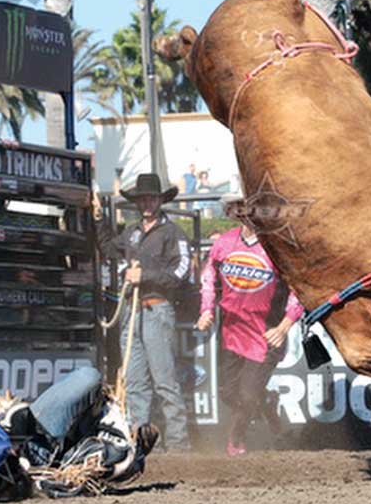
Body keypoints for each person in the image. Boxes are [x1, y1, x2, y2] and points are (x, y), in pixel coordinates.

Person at [0, 367, 159, 504]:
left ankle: (106, 422)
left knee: (87, 377)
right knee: (113, 459)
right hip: (41, 475)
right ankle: (134, 452)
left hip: (37, 437)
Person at [195, 194, 304, 456]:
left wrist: (285, 325)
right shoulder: (224, 243)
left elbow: (298, 286)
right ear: (237, 212)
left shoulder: (277, 246)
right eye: (246, 208)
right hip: (233, 331)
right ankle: (267, 404)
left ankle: (235, 442)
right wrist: (206, 310)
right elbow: (209, 277)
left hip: (267, 334)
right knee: (227, 392)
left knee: (246, 396)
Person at [93, 173, 192, 451]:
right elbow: (110, 249)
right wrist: (99, 219)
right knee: (135, 382)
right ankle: (141, 444)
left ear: (160, 200)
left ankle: (179, 446)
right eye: (142, 199)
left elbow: (181, 272)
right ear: (137, 202)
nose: (147, 203)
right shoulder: (132, 232)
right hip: (131, 311)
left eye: (151, 198)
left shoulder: (173, 233)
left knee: (164, 381)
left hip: (157, 308)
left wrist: (145, 275)